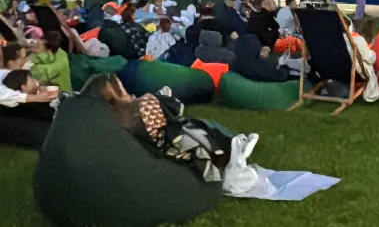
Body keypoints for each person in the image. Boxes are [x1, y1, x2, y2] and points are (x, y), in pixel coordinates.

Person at [81, 73, 260, 195]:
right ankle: (232, 149)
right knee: (194, 125)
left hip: (154, 148)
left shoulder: (109, 119)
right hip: (170, 144)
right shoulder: (140, 106)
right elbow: (173, 114)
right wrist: (159, 99)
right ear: (117, 91)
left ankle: (232, 148)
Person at [1, 43, 59, 108]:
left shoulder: (23, 71)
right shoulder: (4, 77)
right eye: (22, 58)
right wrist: (35, 97)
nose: (26, 60)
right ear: (11, 62)